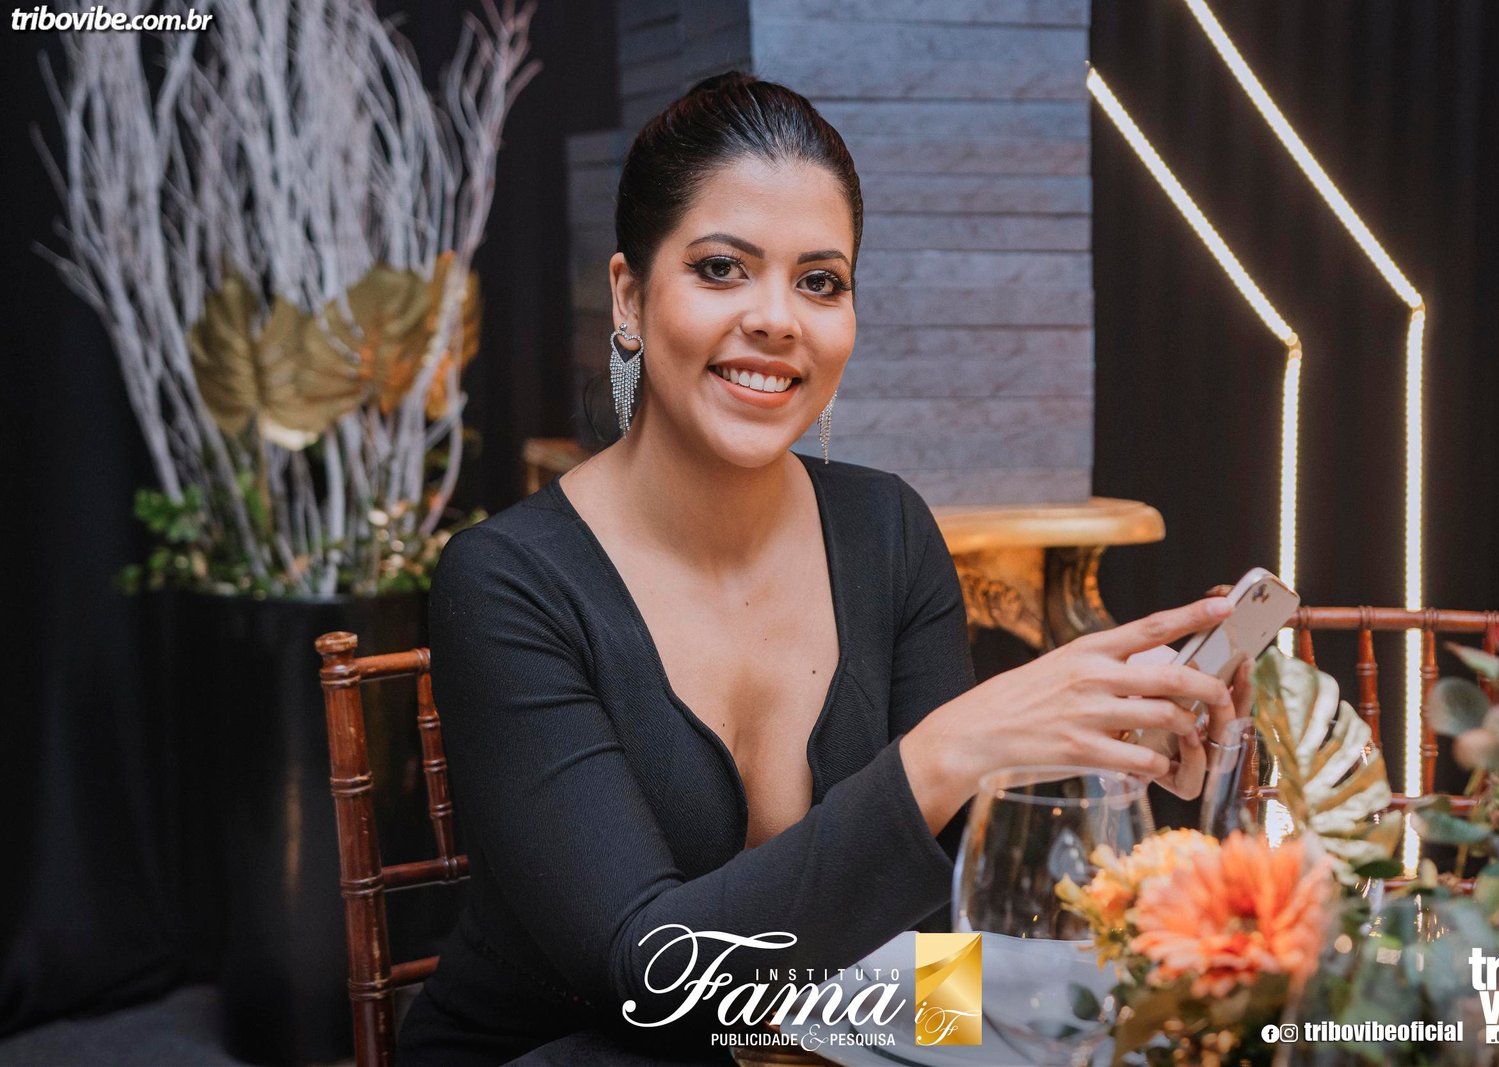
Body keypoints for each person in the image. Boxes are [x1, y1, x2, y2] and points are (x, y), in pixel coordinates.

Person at [397, 71, 1252, 1066]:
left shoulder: (888, 531)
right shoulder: (505, 581)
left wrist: (1109, 748)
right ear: (629, 295)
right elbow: (652, 978)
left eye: (820, 281)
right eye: (722, 268)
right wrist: (941, 756)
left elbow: (937, 920)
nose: (778, 318)